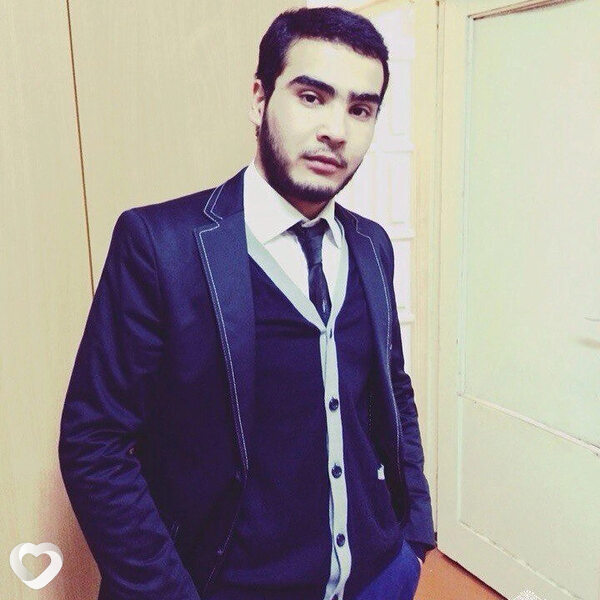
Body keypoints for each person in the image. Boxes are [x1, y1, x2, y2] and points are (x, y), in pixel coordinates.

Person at [58, 7, 435, 600]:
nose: (337, 130)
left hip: (376, 576)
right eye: (311, 97)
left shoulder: (371, 245)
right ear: (260, 99)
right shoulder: (161, 246)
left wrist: (413, 534)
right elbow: (94, 444)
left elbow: (393, 388)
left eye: (360, 109)